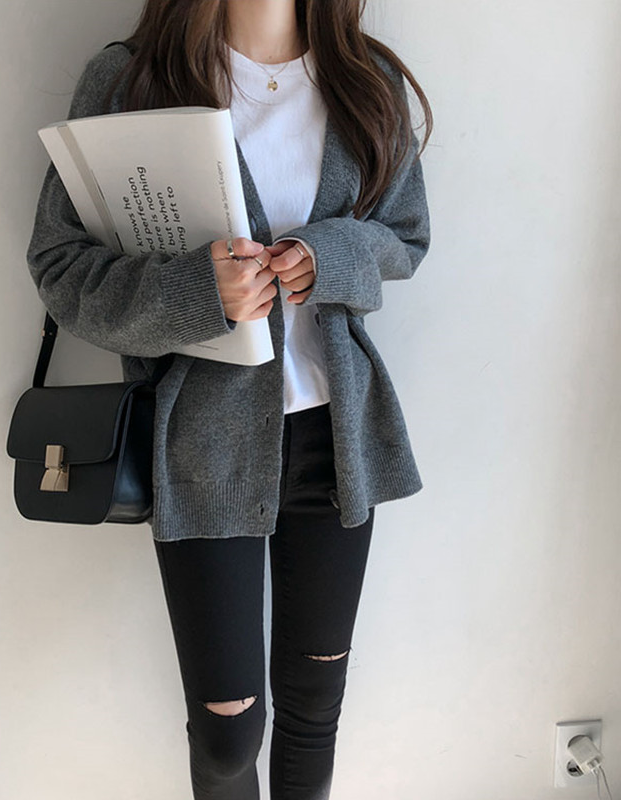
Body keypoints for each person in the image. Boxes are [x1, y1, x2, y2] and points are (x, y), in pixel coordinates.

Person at [26, 0, 432, 797]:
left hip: (336, 439)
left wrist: (332, 254)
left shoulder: (366, 78)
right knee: (227, 733)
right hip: (202, 445)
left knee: (314, 705)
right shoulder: (131, 79)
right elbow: (61, 267)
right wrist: (196, 293)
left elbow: (406, 238)